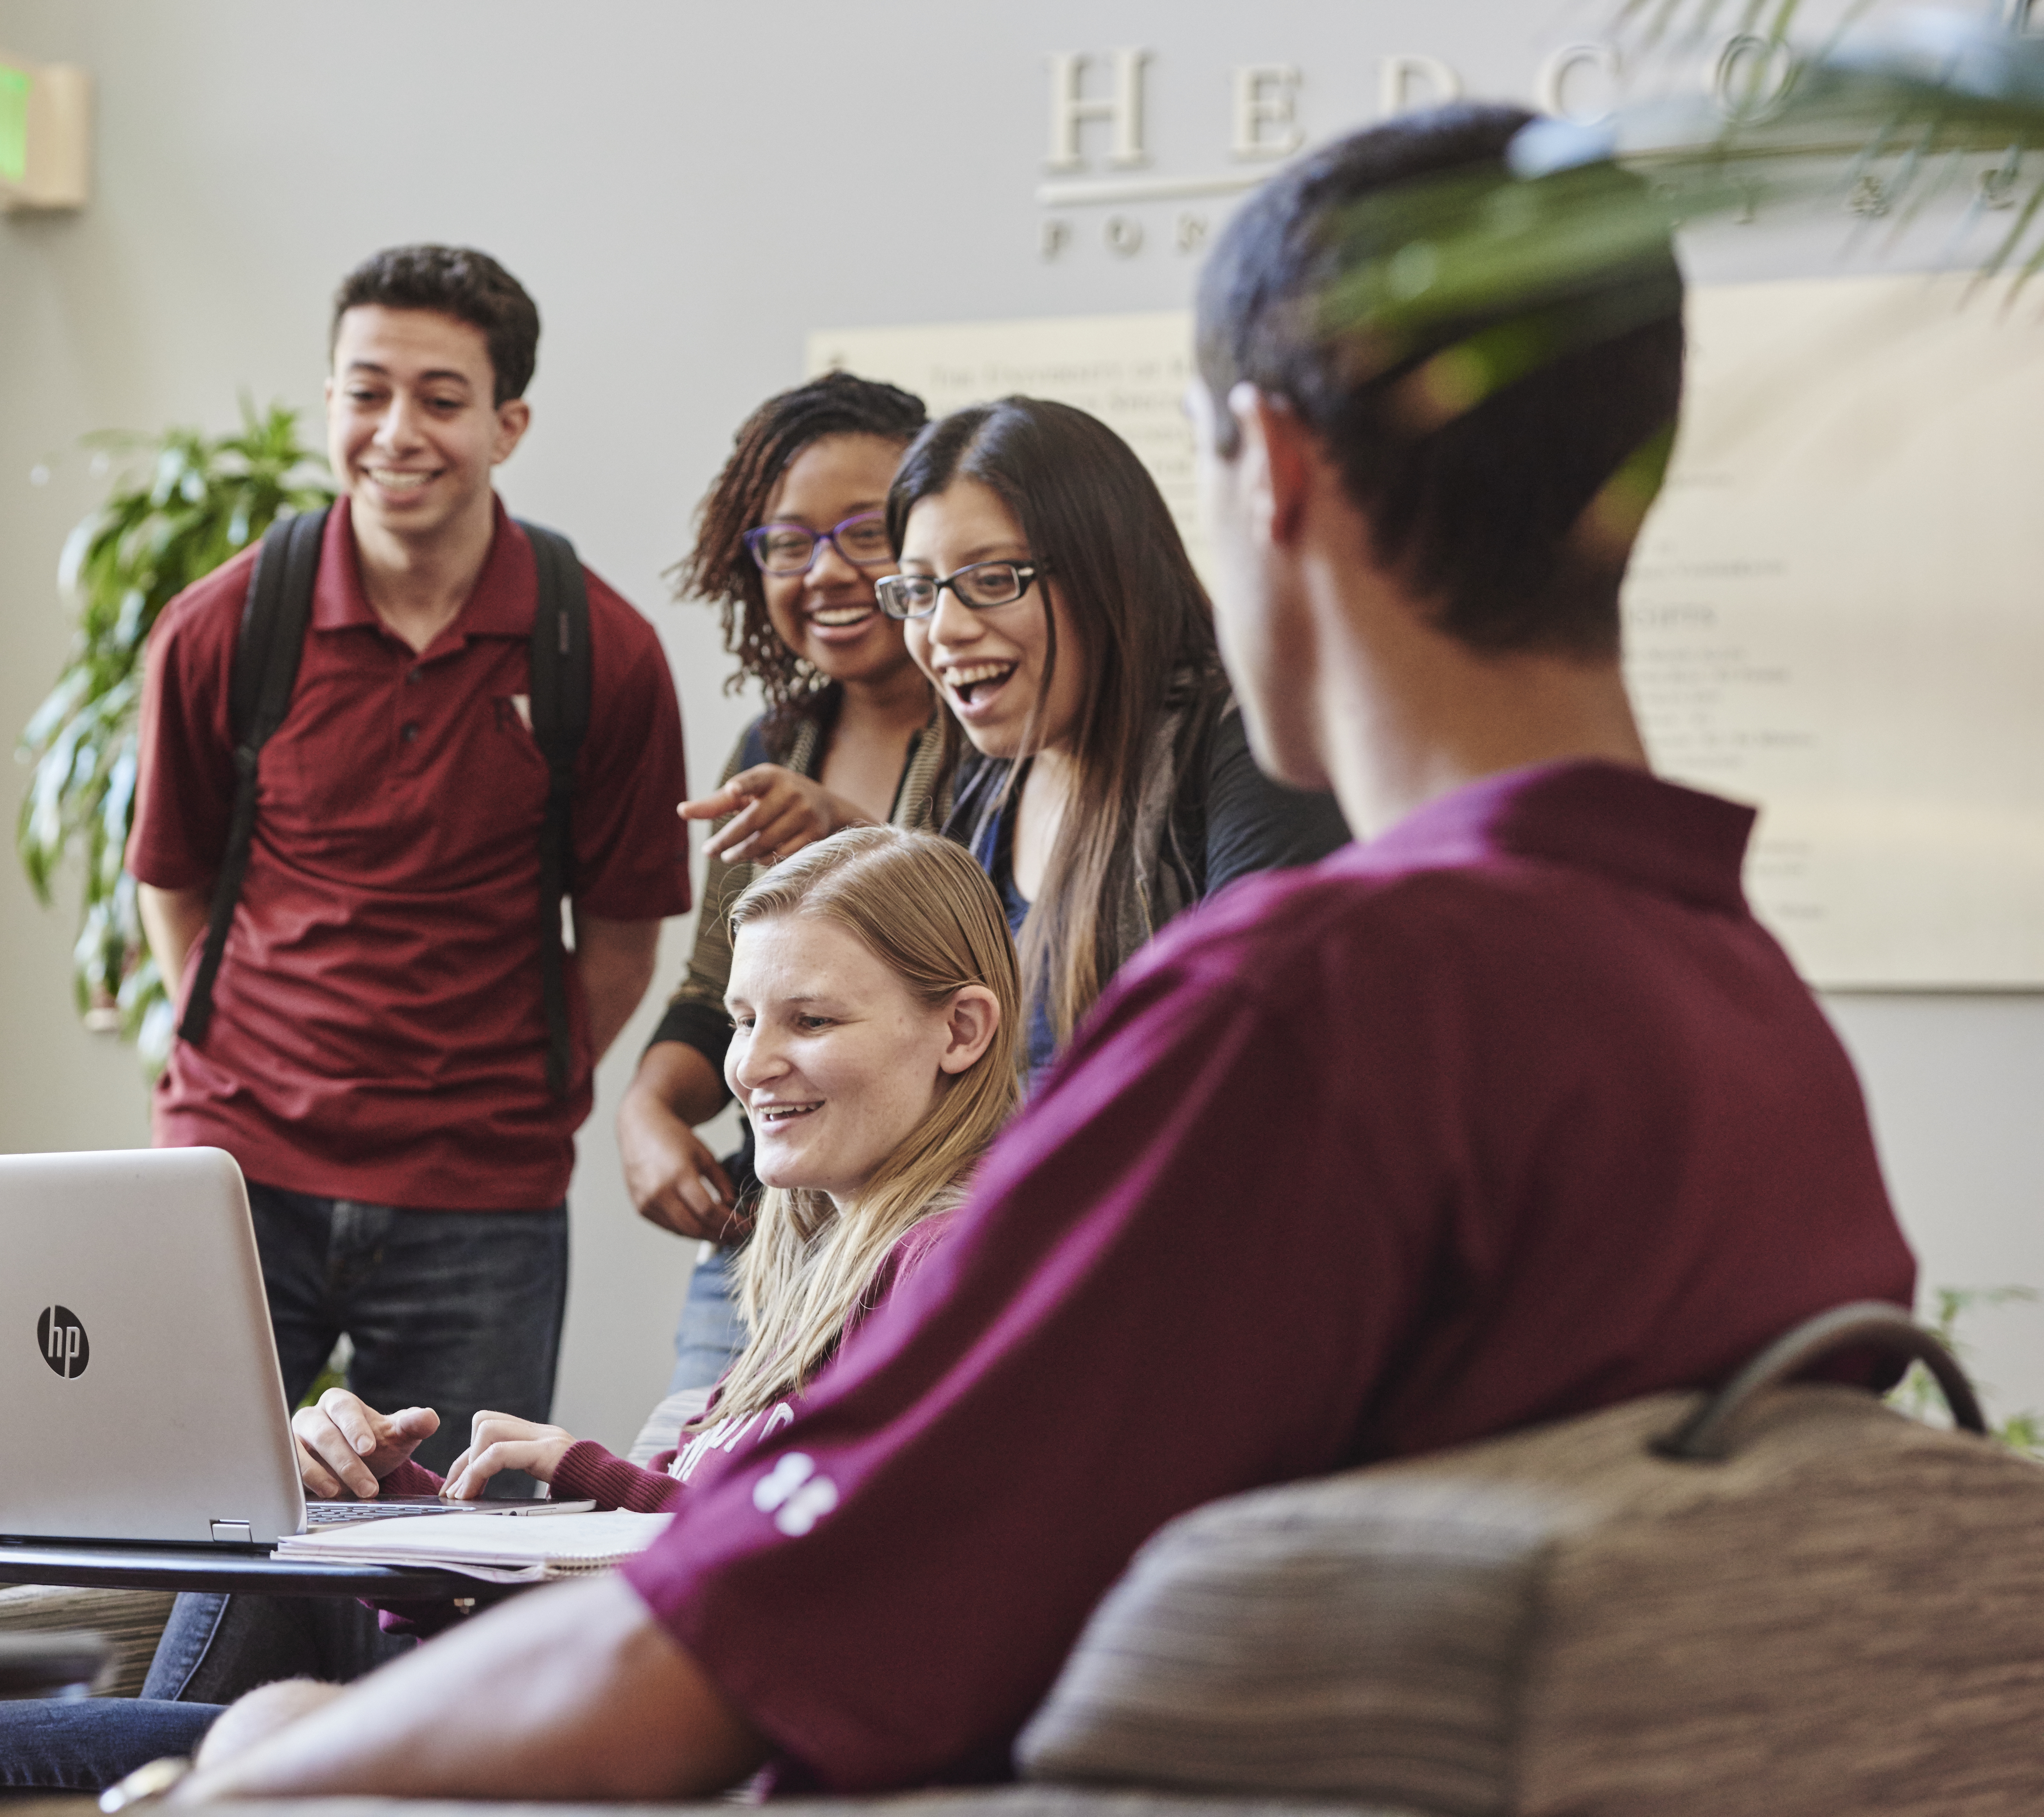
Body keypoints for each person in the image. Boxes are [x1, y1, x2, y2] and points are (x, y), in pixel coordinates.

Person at [161, 102, 1918, 1803]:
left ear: (1274, 475)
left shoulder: (1303, 1013)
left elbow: (728, 1655)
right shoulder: (1750, 1015)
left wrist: (254, 1754)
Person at [0, 826, 1021, 1812]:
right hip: (575, 1699)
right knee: (269, 1508)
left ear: (961, 1032)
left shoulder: (951, 1269)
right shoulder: (805, 1280)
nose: (751, 1067)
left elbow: (808, 1576)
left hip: (642, 1752)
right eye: (742, 1019)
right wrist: (393, 1507)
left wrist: (591, 1474)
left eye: (810, 1021)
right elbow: (621, 1593)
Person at [126, 244, 692, 1471]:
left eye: (440, 400)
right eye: (365, 392)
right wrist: (247, 1054)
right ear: (330, 401)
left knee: (449, 1553)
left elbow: (622, 940)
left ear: (508, 424)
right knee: (186, 1520)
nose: (397, 432)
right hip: (235, 1172)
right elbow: (171, 881)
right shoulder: (221, 628)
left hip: (480, 1193)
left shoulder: (602, 650)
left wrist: (505, 1087)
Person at [618, 373, 966, 1396]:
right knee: (690, 1483)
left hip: (936, 1234)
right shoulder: (776, 743)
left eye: (866, 534)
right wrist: (648, 1113)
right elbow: (714, 992)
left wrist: (848, 836)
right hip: (769, 1233)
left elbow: (992, 959)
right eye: (787, 542)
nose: (826, 571)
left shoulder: (1001, 735)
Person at [880, 394, 1351, 1084]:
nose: (944, 628)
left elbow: (1259, 1054)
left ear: (1108, 571)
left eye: (993, 579)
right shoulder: (978, 787)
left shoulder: (1244, 745)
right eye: (919, 592)